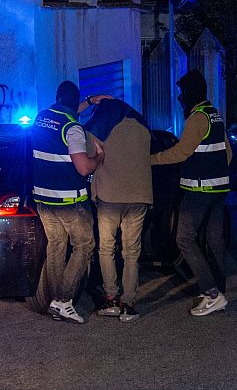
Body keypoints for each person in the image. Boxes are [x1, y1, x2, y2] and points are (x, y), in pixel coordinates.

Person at [151, 70, 232, 317]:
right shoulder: (214, 114)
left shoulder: (197, 118)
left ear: (189, 94)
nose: (180, 98)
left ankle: (211, 294)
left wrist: (150, 160)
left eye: (181, 94)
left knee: (184, 238)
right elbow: (228, 153)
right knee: (215, 242)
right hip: (219, 190)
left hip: (199, 190)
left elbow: (181, 152)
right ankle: (218, 290)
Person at [30, 81, 105, 323]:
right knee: (84, 245)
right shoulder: (73, 129)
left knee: (56, 247)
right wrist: (99, 158)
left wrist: (90, 101)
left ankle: (53, 301)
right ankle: (63, 301)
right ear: (74, 103)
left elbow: (68, 112)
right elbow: (83, 168)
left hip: (43, 199)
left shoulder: (41, 118)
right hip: (69, 202)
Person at [84, 99, 152, 322]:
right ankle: (129, 303)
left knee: (106, 248)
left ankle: (111, 298)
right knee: (131, 252)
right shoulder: (142, 128)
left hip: (109, 197)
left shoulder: (101, 129)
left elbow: (86, 155)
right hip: (139, 197)